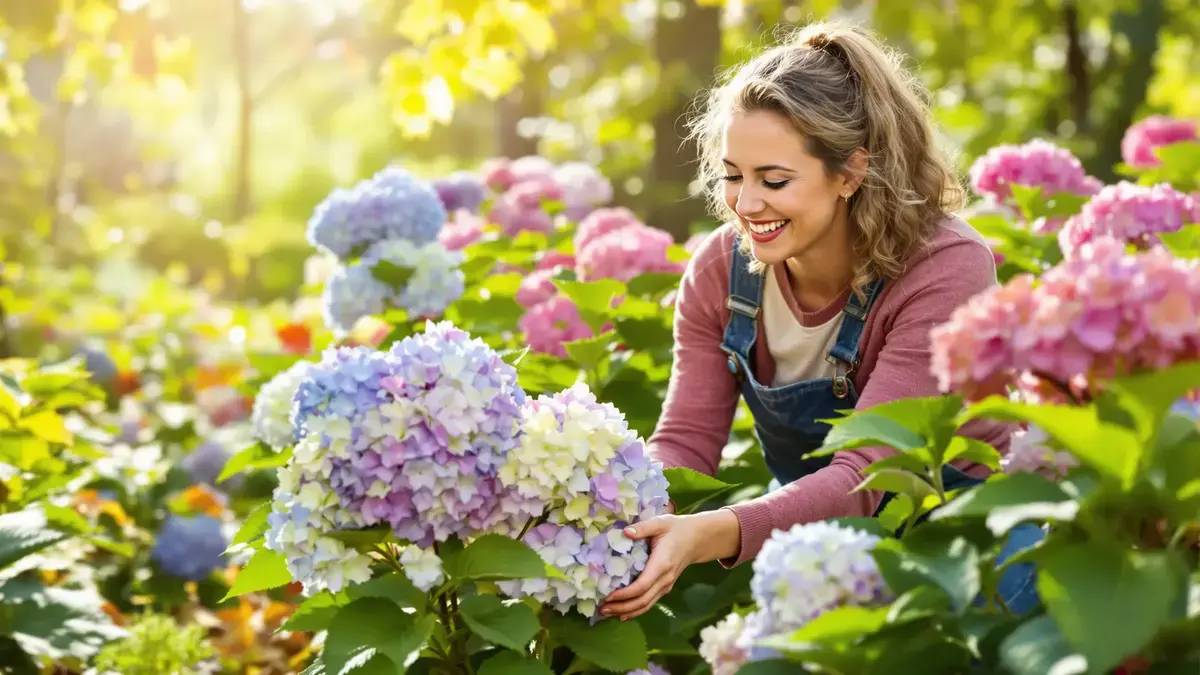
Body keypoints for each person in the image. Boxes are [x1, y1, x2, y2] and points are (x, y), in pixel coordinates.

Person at [600, 20, 1042, 620]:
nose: (746, 205)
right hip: (823, 534)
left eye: (774, 180)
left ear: (849, 174)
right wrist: (616, 525)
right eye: (733, 176)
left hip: (970, 534)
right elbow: (685, 445)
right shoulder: (721, 275)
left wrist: (710, 533)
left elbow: (869, 477)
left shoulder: (943, 268)